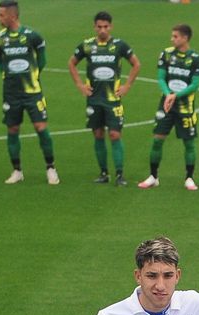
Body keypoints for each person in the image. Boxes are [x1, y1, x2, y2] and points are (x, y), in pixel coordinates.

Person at [69, 11, 139, 185]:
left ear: (111, 27)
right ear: (94, 27)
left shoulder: (119, 45)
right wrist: (80, 84)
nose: (102, 30)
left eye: (105, 27)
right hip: (94, 99)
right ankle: (104, 173)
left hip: (112, 100)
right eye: (99, 27)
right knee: (98, 134)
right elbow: (71, 63)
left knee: (115, 135)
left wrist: (127, 85)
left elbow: (136, 64)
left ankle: (120, 174)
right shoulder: (86, 45)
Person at [0, 0, 57, 184]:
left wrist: (34, 75)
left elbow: (42, 60)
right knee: (12, 129)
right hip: (11, 94)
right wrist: (5, 71)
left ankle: (51, 167)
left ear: (12, 15)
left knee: (41, 128)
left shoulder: (32, 36)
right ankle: (17, 170)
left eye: (1, 15)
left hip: (32, 92)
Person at [138, 24, 199, 191]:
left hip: (185, 107)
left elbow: (195, 85)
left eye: (175, 36)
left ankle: (189, 177)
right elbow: (161, 78)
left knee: (189, 143)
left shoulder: (196, 58)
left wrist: (176, 95)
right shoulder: (166, 54)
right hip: (166, 106)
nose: (172, 39)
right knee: (157, 140)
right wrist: (168, 94)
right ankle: (153, 176)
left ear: (185, 38)